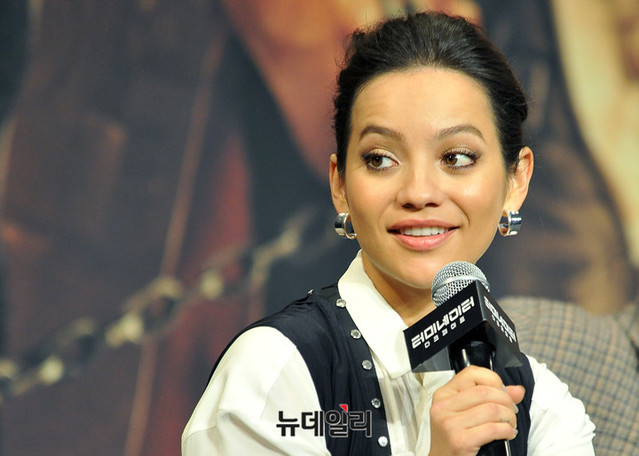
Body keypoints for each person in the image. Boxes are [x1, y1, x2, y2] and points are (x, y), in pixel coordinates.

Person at [181, 11, 595, 455]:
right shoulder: (273, 372)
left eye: (456, 157)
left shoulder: (545, 406)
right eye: (380, 159)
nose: (418, 193)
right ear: (340, 185)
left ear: (516, 181)